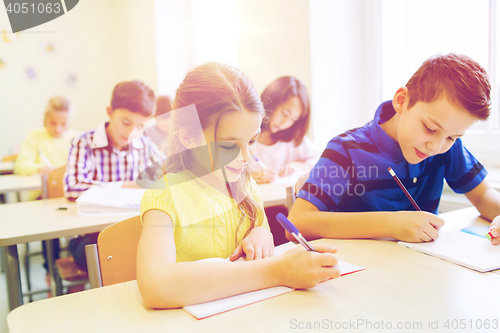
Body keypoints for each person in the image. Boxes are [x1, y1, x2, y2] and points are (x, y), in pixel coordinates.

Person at [137, 62, 341, 309]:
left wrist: (262, 233)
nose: (246, 156)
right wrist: (276, 271)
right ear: (189, 137)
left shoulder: (246, 187)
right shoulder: (165, 196)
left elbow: (262, 233)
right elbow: (156, 286)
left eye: (252, 140)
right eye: (228, 145)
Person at [289, 53, 500, 245]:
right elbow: (297, 224)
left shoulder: (446, 147)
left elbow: (483, 196)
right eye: (429, 128)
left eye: (453, 137)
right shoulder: (346, 150)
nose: (436, 146)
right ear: (401, 101)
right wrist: (391, 223)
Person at [64, 80, 163, 274]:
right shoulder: (84, 142)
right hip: (91, 235)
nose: (130, 132)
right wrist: (127, 185)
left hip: (134, 228)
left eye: (140, 126)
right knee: (119, 259)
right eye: (126, 122)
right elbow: (72, 186)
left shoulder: (144, 144)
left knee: (161, 250)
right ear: (110, 112)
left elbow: (168, 174)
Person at [250, 76, 320, 184]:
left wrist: (296, 167)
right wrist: (248, 177)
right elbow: (220, 172)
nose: (285, 123)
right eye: (284, 113)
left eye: (293, 119)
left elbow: (320, 160)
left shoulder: (290, 140)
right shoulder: (245, 133)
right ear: (269, 101)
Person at [14, 96, 78, 200]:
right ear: (45, 118)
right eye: (53, 123)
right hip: (42, 196)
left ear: (69, 121)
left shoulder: (76, 138)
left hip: (69, 196)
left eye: (63, 124)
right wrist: (39, 169)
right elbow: (20, 166)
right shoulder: (34, 137)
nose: (58, 129)